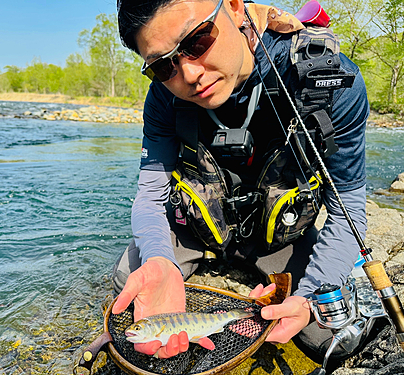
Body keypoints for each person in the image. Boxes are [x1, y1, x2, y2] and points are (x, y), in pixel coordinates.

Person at [111, 0, 369, 362]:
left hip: (277, 239)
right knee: (132, 283)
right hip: (196, 231)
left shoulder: (327, 83)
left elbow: (348, 211)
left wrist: (310, 294)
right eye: (162, 65)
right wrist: (159, 260)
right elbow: (151, 199)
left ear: (233, 8)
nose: (188, 74)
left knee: (326, 333)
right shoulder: (163, 100)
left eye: (197, 41)